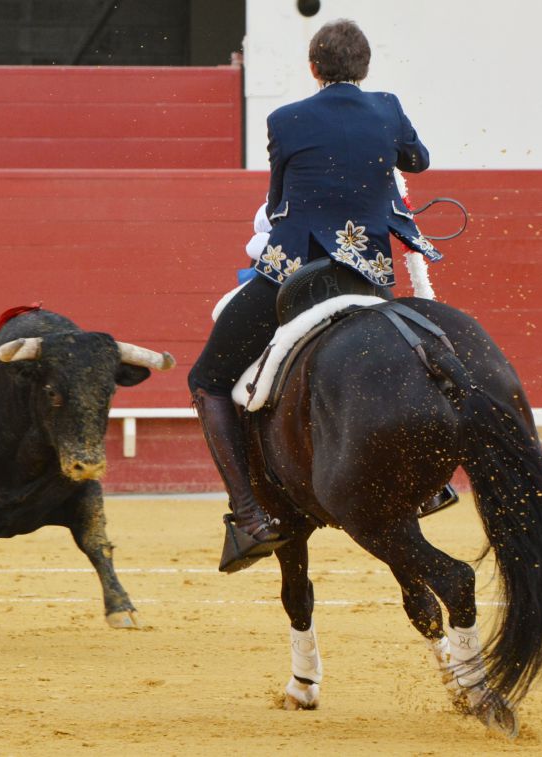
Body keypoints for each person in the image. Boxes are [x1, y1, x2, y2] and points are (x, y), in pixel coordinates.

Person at [188, 18, 443, 573]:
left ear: (313, 68)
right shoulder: (389, 108)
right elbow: (418, 161)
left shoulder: (285, 119)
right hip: (368, 274)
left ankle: (251, 515)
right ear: (366, 68)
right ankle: (427, 489)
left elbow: (279, 199)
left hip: (295, 271)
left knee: (206, 381)